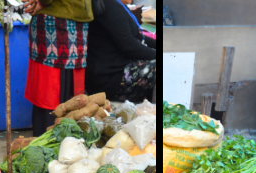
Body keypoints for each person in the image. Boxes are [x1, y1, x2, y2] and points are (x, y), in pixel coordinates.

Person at [21, 0, 93, 136]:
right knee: (66, 94)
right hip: (71, 18)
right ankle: (64, 143)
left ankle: (50, 141)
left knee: (52, 92)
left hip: (57, 22)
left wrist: (42, 3)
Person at [85, 0, 156, 102]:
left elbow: (137, 36)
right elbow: (129, 45)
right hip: (110, 81)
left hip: (111, 74)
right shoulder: (110, 7)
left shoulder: (115, 5)